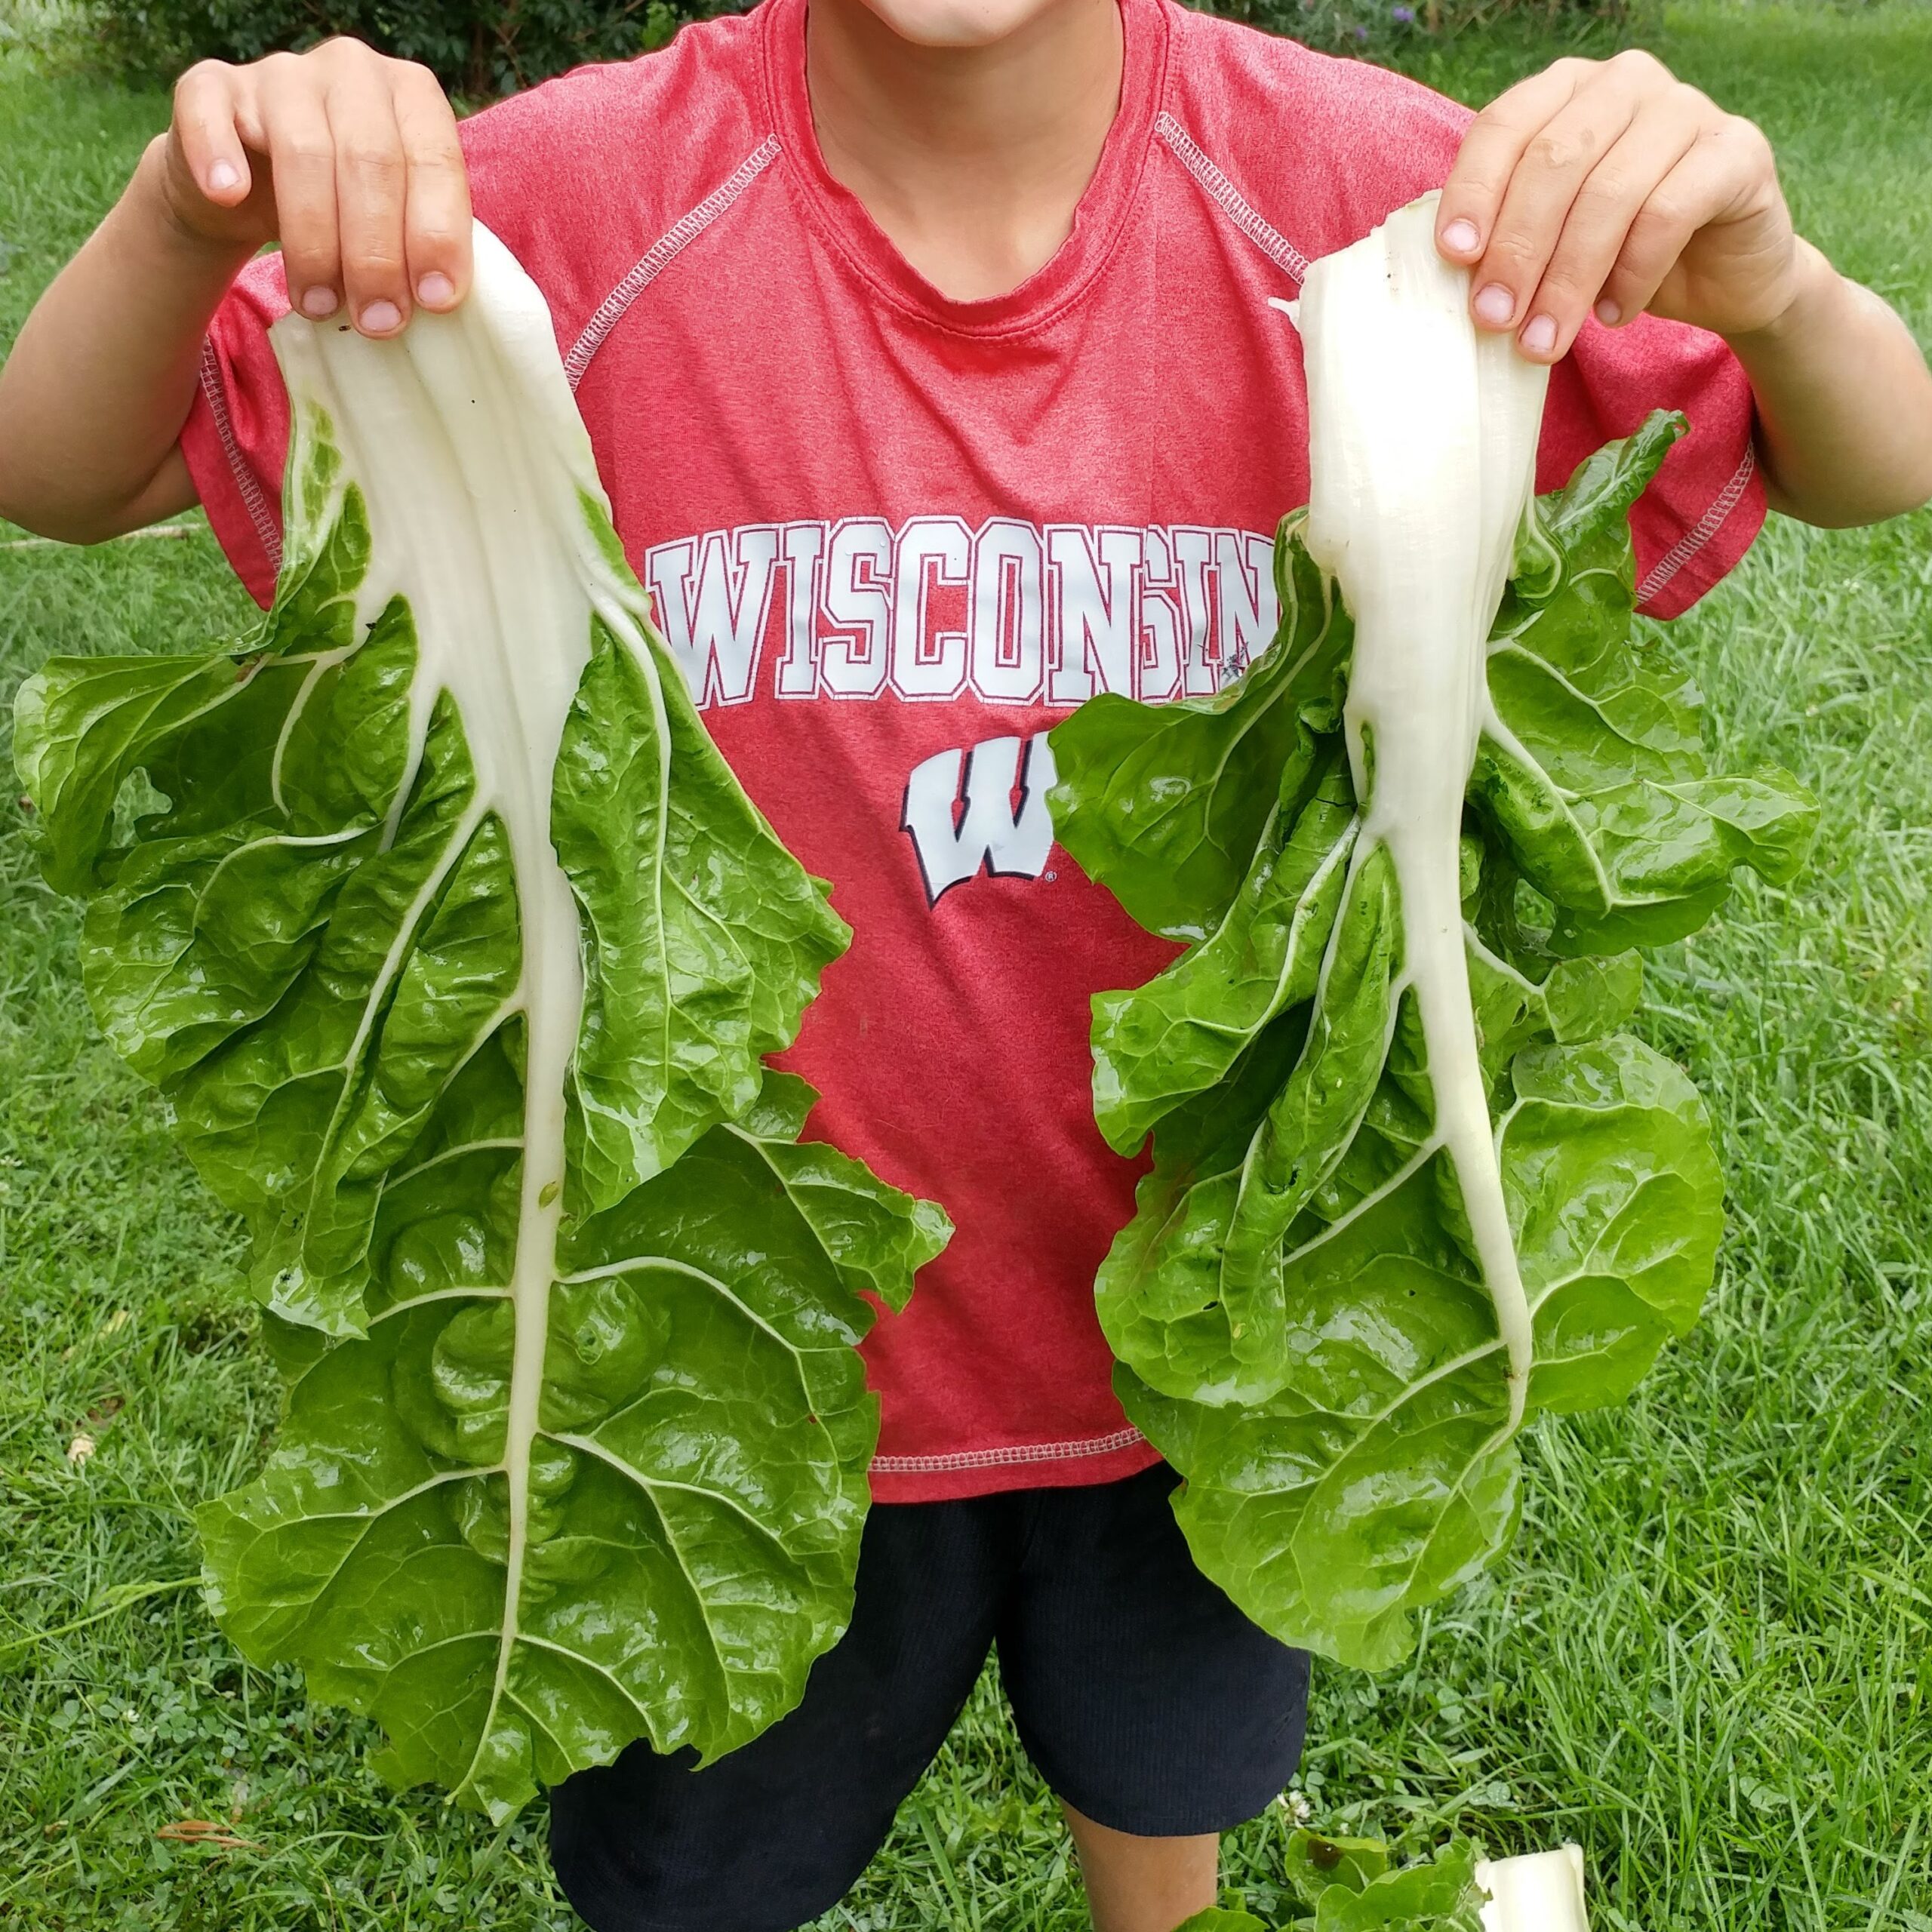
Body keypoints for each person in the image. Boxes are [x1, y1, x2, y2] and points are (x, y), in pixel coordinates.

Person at [1, 0, 1927, 1926]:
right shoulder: (549, 212)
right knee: (704, 1870)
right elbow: (64, 467)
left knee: (1161, 1772)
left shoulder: (1386, 201)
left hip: (1194, 1331)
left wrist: (1766, 281)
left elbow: (1863, 451)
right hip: (719, 1348)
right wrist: (189, 215)